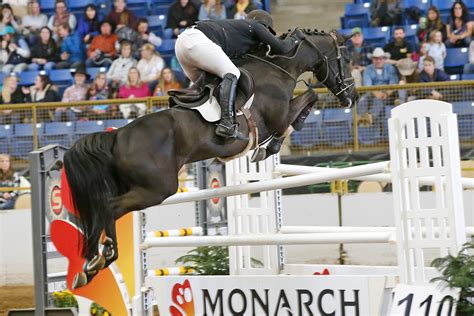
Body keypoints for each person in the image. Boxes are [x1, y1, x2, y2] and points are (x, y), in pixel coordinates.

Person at [175, 9, 304, 139]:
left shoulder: (238, 34)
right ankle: (227, 123)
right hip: (196, 40)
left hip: (182, 45)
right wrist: (295, 38)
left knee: (208, 86)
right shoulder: (256, 26)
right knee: (232, 73)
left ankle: (183, 115)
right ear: (265, 26)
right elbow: (281, 48)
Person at [358, 47, 399, 128]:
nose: (378, 61)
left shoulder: (390, 68)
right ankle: (360, 117)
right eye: (376, 59)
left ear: (384, 59)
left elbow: (393, 84)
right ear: (372, 59)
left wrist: (386, 93)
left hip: (387, 94)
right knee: (362, 99)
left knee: (378, 100)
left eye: (380, 58)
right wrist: (376, 92)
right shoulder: (368, 69)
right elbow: (367, 84)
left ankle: (370, 117)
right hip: (371, 92)